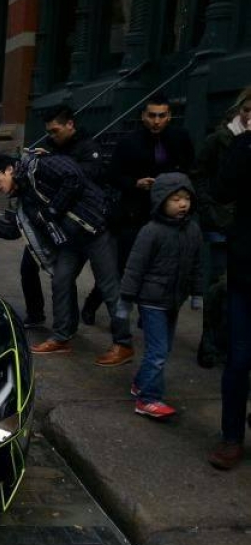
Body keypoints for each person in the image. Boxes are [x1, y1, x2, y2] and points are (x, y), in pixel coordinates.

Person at [0, 153, 133, 366]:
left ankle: (123, 343)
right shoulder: (21, 200)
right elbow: (14, 230)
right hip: (70, 241)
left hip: (95, 228)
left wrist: (52, 210)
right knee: (61, 280)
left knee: (109, 286)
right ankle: (62, 336)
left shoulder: (40, 166)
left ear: (10, 169)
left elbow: (74, 177)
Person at [82, 93, 195, 325]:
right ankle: (93, 303)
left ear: (169, 116)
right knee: (123, 266)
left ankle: (147, 314)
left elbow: (189, 170)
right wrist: (135, 183)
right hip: (133, 213)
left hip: (165, 214)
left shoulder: (180, 138)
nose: (156, 121)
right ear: (143, 116)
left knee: (157, 268)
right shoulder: (129, 142)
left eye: (161, 116)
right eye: (152, 115)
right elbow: (111, 174)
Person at [116, 173, 202, 418]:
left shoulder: (193, 230)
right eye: (176, 199)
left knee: (162, 349)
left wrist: (197, 293)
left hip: (174, 299)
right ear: (162, 200)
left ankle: (141, 383)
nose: (182, 204)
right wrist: (126, 299)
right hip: (151, 300)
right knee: (158, 351)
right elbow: (135, 267)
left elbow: (196, 264)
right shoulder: (151, 231)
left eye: (186, 198)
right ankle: (148, 399)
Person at [19, 104, 105, 329]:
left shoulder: (88, 147)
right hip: (50, 220)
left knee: (65, 277)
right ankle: (36, 314)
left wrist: (51, 164)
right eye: (48, 131)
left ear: (70, 124)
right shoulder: (49, 146)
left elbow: (85, 178)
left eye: (55, 130)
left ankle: (72, 322)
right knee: (29, 266)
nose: (51, 136)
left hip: (78, 222)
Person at [190, 87, 251, 368]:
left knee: (230, 288)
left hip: (243, 227)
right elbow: (200, 174)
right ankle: (210, 342)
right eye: (247, 109)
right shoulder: (221, 138)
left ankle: (227, 342)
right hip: (219, 222)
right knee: (216, 285)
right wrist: (208, 207)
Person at [207, 128, 251, 469]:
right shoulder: (244, 145)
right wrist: (245, 141)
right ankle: (232, 436)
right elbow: (222, 190)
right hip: (247, 274)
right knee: (238, 359)